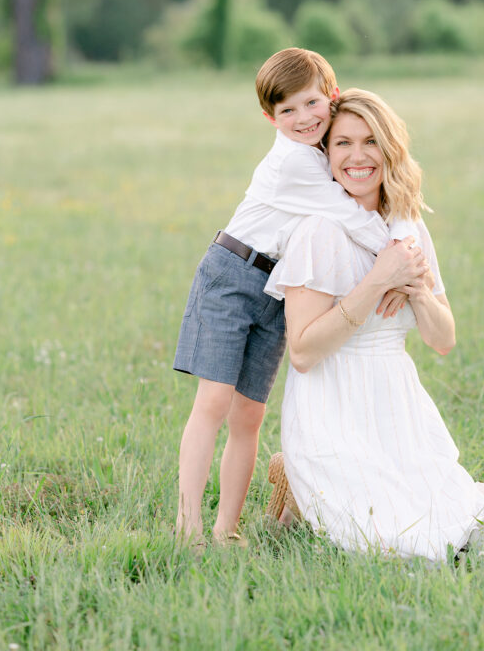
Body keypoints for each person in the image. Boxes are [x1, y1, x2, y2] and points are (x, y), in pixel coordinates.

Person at [172, 50, 428, 549]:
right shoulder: (295, 161)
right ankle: (189, 527)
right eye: (287, 111)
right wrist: (398, 267)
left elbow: (372, 199)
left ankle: (227, 529)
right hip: (231, 275)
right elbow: (354, 219)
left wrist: (399, 255)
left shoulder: (327, 150)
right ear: (270, 118)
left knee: (250, 415)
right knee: (214, 402)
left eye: (311, 103)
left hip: (276, 288)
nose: (303, 118)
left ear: (331, 98)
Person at [265, 88, 484, 561]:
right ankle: (301, 475)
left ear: (390, 150)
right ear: (325, 154)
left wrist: (416, 287)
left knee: (449, 521)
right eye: (342, 143)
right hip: (331, 403)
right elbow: (301, 352)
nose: (357, 157)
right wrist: (378, 280)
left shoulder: (407, 228)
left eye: (370, 142)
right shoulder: (318, 232)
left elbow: (443, 340)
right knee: (387, 541)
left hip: (395, 402)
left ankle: (298, 487)